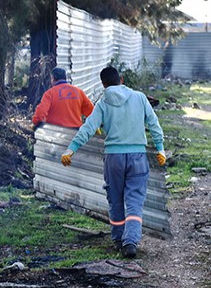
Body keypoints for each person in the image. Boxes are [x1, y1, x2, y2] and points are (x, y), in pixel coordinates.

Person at [60, 66, 166, 258]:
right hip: (138, 157)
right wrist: (160, 149)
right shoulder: (140, 98)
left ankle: (118, 239)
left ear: (104, 84)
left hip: (114, 159)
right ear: (122, 79)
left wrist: (71, 149)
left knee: (115, 199)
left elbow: (88, 128)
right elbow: (153, 124)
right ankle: (130, 241)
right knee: (134, 201)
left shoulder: (102, 103)